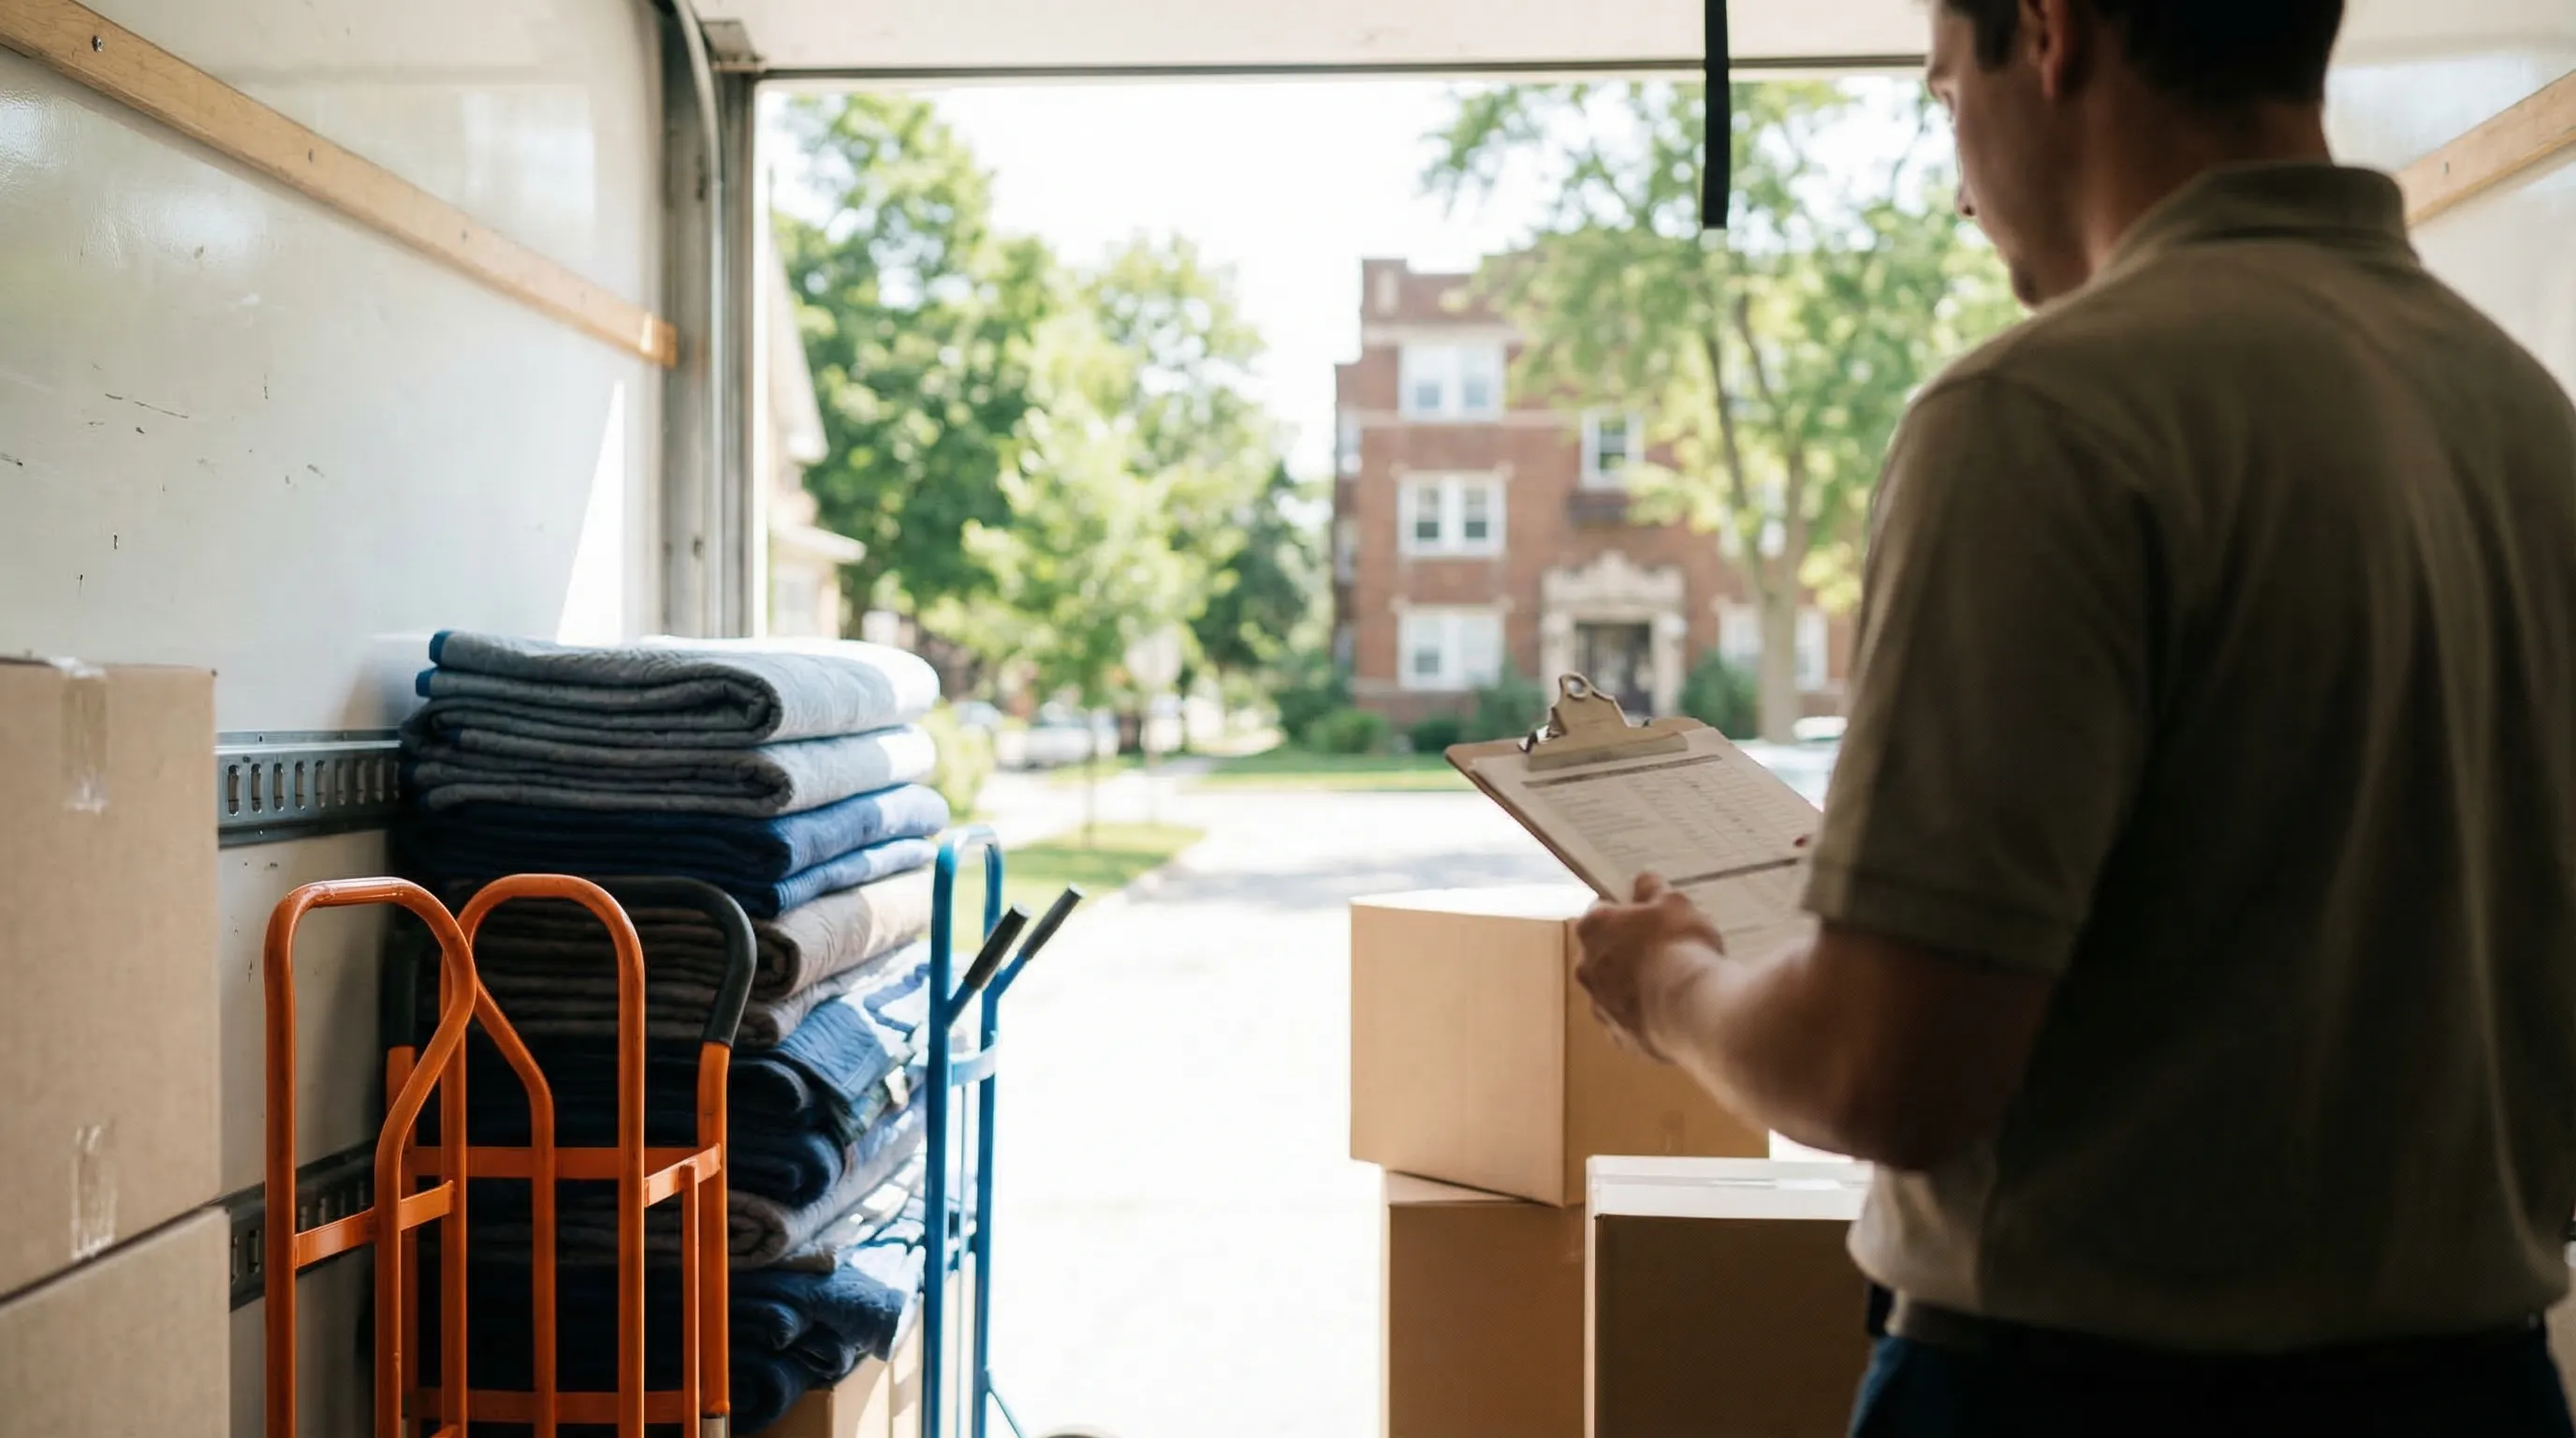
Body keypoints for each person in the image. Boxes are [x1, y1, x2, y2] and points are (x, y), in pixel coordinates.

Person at [1571, 0, 2576, 1432]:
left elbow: (1886, 1068)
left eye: (1941, 98)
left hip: (2076, 1392)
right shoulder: (2528, 420)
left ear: (2047, 35)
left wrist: (1669, 983)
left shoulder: (2039, 418)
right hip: (2482, 1389)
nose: (1961, 179)